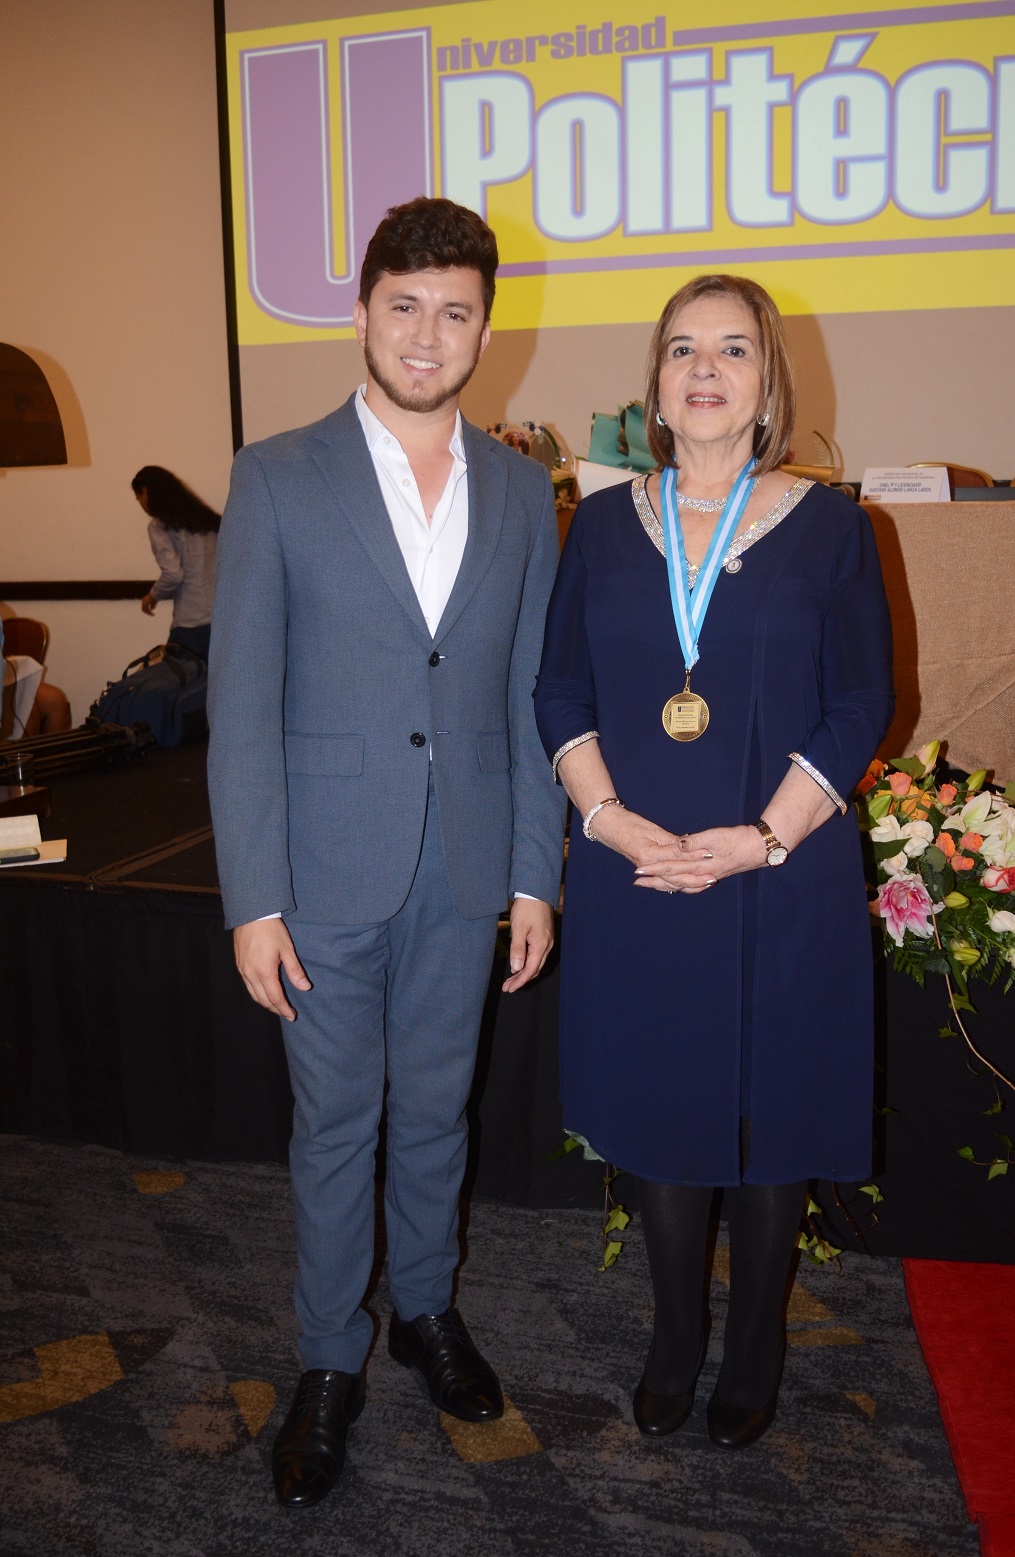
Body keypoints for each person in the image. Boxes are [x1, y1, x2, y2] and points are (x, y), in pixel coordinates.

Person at [207, 197, 565, 1509]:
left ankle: (424, 1313)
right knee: (333, 1120)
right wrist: (253, 896)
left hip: (464, 863)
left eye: (454, 311)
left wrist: (535, 872)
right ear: (361, 312)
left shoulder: (526, 490)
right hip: (320, 868)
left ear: (484, 328)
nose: (427, 334)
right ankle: (325, 1359)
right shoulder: (276, 474)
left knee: (435, 1111)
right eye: (403, 305)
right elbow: (239, 707)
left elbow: (530, 700)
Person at [534, 274, 894, 1450]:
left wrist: (767, 834)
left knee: (772, 1116)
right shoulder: (598, 523)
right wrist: (606, 821)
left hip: (781, 872)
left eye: (732, 350)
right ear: (655, 384)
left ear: (765, 380)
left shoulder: (837, 525)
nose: (704, 368)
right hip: (640, 873)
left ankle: (756, 1345)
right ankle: (676, 1332)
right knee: (661, 1109)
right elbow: (559, 689)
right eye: (682, 348)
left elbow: (861, 702)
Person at [131, 465, 220, 661]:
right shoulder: (210, 521)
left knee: (180, 686)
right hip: (223, 618)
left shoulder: (159, 526)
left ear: (145, 491)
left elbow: (173, 574)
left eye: (139, 498)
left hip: (191, 623)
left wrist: (152, 595)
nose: (141, 505)